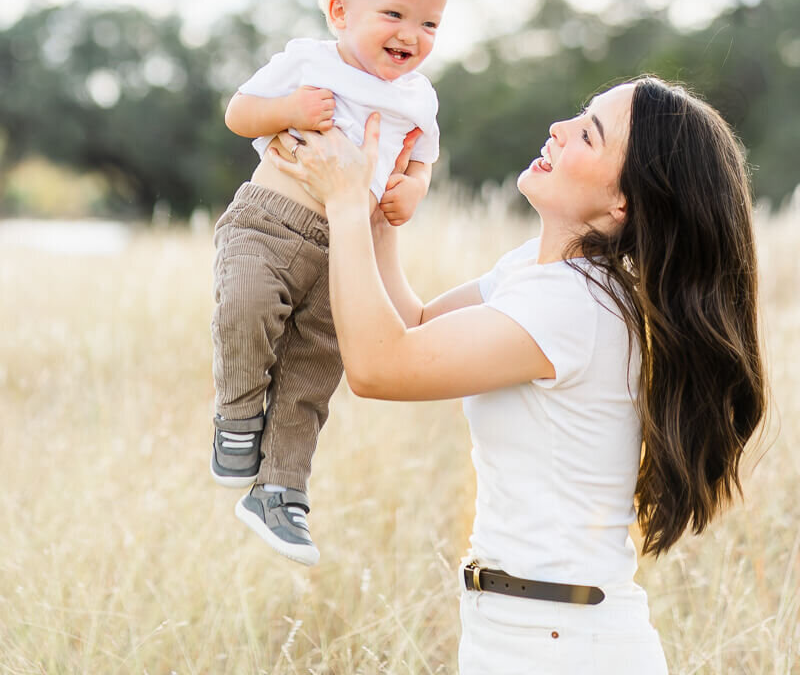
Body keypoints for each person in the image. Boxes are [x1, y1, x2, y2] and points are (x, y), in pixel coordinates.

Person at [267, 76, 767, 673]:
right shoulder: (537, 274)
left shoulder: (576, 304)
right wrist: (378, 215)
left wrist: (345, 203)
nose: (558, 130)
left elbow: (380, 367)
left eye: (588, 133)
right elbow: (418, 324)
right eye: (578, 112)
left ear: (623, 202)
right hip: (522, 630)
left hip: (562, 643)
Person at [210, 0, 449, 565]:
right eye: (394, 14)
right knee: (246, 306)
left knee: (315, 371)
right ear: (341, 12)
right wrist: (287, 106)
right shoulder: (308, 62)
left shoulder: (418, 97)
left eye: (429, 23)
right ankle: (236, 416)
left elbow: (421, 159)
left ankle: (281, 492)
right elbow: (239, 114)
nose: (411, 34)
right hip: (272, 222)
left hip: (347, 254)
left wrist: (413, 190)